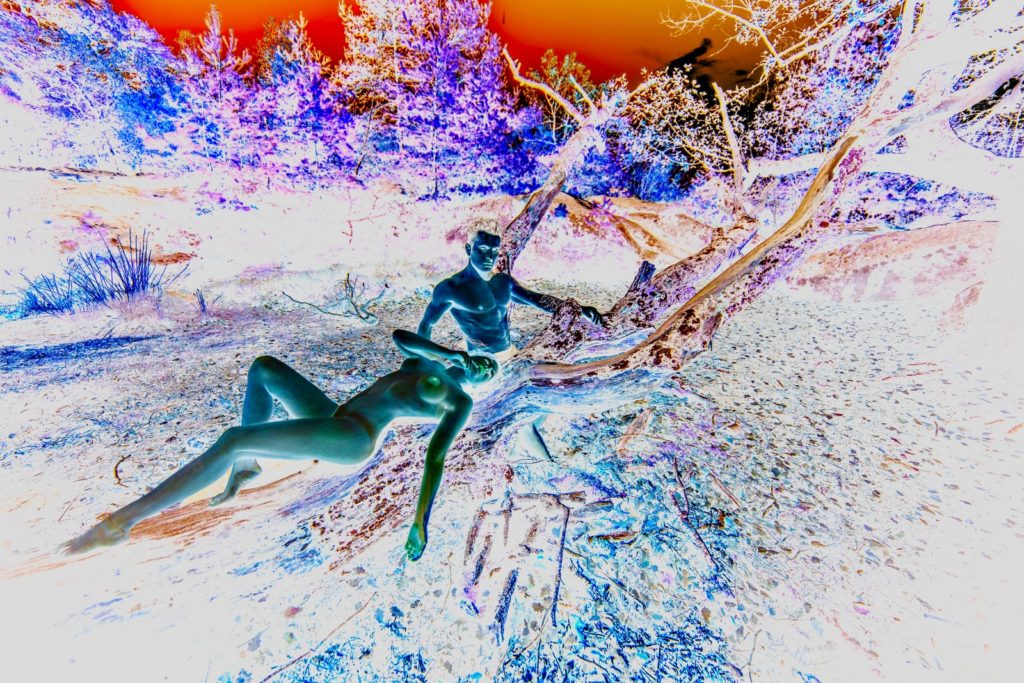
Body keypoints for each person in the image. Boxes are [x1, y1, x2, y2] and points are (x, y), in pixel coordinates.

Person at [62, 330, 498, 561]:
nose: (484, 366)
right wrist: (449, 354)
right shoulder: (427, 362)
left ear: (484, 385)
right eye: (483, 359)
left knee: (233, 439)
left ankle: (121, 524)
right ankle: (247, 465)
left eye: (490, 371)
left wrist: (420, 522)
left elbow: (436, 457)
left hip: (354, 436)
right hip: (335, 414)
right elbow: (402, 336)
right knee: (265, 366)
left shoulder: (457, 400)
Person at [417, 224, 604, 355]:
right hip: (482, 362)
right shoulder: (451, 287)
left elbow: (539, 300)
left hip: (511, 353)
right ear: (469, 249)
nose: (489, 256)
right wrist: (426, 362)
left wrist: (579, 309)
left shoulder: (503, 282)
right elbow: (427, 325)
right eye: (483, 249)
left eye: (494, 250)